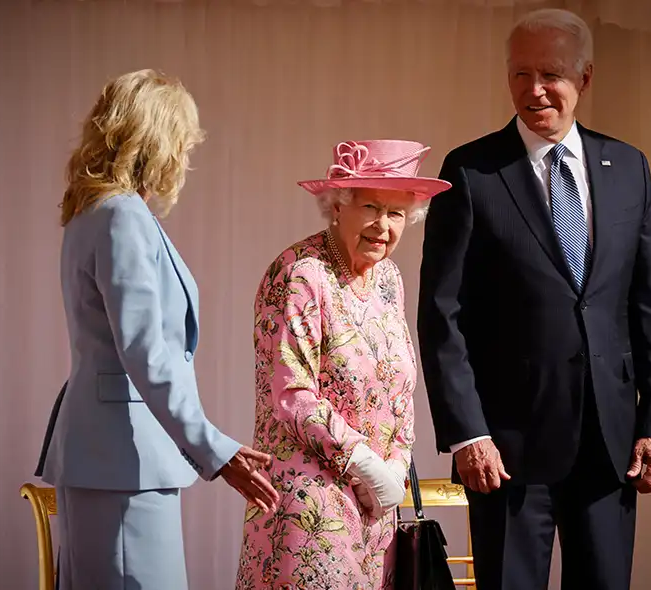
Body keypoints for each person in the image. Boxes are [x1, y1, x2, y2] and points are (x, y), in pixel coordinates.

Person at [417, 9, 651, 590]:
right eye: (520, 74)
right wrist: (467, 432)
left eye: (551, 74)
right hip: (506, 450)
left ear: (584, 78)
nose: (534, 89)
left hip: (610, 443)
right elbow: (442, 316)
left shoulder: (629, 168)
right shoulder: (471, 172)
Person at [35, 69, 279, 589]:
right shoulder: (122, 216)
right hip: (124, 460)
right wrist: (216, 449)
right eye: (183, 143)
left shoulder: (89, 213)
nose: (186, 158)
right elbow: (146, 354)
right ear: (158, 141)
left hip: (108, 458)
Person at [235, 140, 451, 589]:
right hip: (310, 502)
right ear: (337, 206)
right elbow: (291, 394)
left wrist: (396, 465)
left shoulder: (388, 279)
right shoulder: (299, 273)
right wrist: (367, 466)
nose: (382, 226)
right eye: (370, 206)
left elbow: (400, 383)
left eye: (396, 214)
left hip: (377, 510)